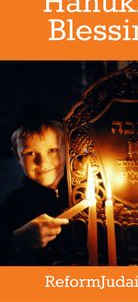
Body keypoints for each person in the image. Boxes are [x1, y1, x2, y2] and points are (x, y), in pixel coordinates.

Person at [0, 103, 80, 265]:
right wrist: (18, 240)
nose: (43, 162)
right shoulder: (13, 204)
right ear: (17, 156)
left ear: (67, 148)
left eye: (53, 150)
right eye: (30, 153)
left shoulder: (88, 192)